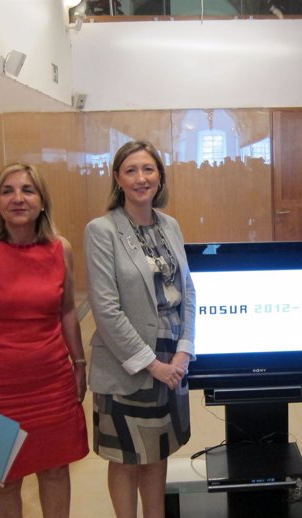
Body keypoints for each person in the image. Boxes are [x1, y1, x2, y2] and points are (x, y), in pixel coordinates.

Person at [0, 163, 89, 518]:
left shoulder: (61, 249)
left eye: (28, 190)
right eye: (7, 191)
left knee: (56, 470)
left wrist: (80, 364)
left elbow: (67, 311)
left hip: (52, 384)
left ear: (42, 202)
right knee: (5, 479)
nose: (18, 198)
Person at [84, 140, 195, 518]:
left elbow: (189, 292)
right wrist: (152, 364)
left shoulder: (171, 225)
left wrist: (184, 349)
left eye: (148, 169)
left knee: (157, 452)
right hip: (128, 361)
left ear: (160, 175)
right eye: (131, 170)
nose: (141, 178)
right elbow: (107, 310)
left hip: (172, 360)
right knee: (128, 457)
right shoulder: (102, 230)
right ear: (117, 177)